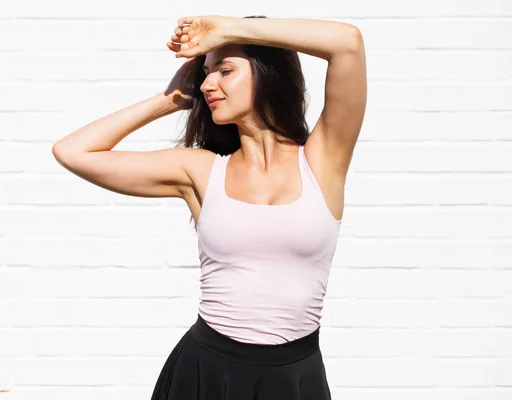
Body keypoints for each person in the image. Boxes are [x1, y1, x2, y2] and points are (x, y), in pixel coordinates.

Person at [52, 14, 367, 400]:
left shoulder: (322, 160)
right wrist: (169, 100)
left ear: (269, 73)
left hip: (294, 378)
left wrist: (227, 29)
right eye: (204, 73)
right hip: (203, 373)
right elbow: (72, 152)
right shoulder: (201, 171)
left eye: (225, 70)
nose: (207, 84)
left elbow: (347, 43)